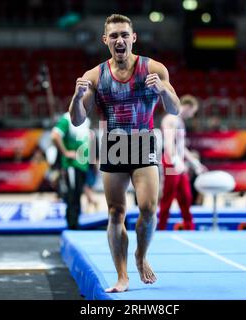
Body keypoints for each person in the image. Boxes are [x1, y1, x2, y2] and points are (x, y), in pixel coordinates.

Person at [68, 14, 180, 292]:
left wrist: (163, 89)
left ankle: (141, 256)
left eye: (124, 35)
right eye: (114, 36)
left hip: (143, 140)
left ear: (133, 38)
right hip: (114, 144)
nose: (120, 40)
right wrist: (75, 98)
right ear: (105, 40)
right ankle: (122, 275)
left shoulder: (154, 68)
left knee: (148, 209)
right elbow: (78, 120)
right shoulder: (94, 76)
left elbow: (175, 108)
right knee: (116, 212)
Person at [158, 94, 206, 230]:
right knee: (168, 196)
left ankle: (189, 226)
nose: (192, 115)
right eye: (193, 111)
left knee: (186, 196)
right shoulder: (170, 119)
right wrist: (174, 160)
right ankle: (161, 227)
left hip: (179, 163)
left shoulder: (180, 122)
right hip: (170, 161)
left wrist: (195, 163)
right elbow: (168, 142)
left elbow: (181, 147)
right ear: (188, 107)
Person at [52, 112, 91, 230]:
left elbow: (87, 142)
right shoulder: (66, 119)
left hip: (83, 165)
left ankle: (75, 223)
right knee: (72, 196)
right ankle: (72, 225)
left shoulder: (86, 120)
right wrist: (65, 152)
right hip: (72, 165)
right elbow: (55, 136)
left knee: (78, 194)